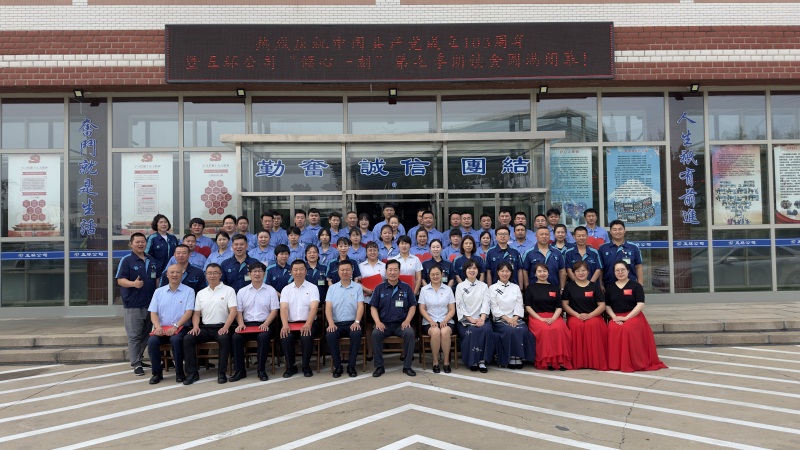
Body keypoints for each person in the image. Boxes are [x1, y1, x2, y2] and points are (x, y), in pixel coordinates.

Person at [605, 262, 667, 372]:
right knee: (613, 328)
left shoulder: (636, 286)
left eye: (623, 270)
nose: (620, 272)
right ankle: (617, 363)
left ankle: (633, 362)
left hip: (634, 315)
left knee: (627, 328)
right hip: (617, 316)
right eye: (617, 270)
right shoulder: (610, 288)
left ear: (628, 271)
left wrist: (627, 318)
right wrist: (614, 317)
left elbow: (640, 304)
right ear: (614, 273)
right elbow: (607, 305)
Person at [182, 263, 237, 385]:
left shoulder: (229, 290)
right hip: (205, 327)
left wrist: (226, 327)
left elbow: (233, 311)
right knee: (188, 339)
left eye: (215, 273)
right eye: (209, 273)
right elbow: (196, 314)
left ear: (220, 274)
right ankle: (192, 373)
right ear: (206, 275)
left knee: (224, 339)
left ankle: (221, 373)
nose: (212, 275)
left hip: (222, 326)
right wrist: (195, 326)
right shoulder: (201, 293)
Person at [145, 264, 195, 384]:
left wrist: (175, 327)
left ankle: (179, 373)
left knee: (176, 340)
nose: (174, 275)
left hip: (181, 327)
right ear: (167, 275)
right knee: (152, 341)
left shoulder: (189, 291)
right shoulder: (159, 292)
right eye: (172, 272)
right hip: (162, 328)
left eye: (177, 272)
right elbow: (153, 312)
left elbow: (189, 313)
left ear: (182, 274)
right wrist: (157, 327)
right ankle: (157, 373)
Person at [116, 232, 158, 376]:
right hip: (133, 304)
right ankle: (136, 363)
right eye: (137, 242)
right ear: (131, 244)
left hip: (150, 304)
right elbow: (120, 280)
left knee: (146, 334)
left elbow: (156, 279)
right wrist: (133, 284)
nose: (140, 244)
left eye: (143, 242)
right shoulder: (127, 260)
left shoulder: (151, 259)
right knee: (134, 335)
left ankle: (138, 358)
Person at [232, 261, 280, 382]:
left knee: (263, 337)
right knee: (236, 337)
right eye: (254, 271)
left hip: (264, 324)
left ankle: (261, 370)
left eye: (260, 271)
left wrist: (266, 324)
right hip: (246, 325)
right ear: (249, 274)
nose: (257, 274)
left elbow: (274, 310)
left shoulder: (271, 290)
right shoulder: (242, 291)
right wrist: (241, 324)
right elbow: (238, 311)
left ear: (264, 274)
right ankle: (239, 370)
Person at [369, 259, 417, 377]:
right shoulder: (379, 287)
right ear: (386, 271)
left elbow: (413, 306)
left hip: (401, 324)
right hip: (384, 324)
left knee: (410, 333)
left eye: (395, 270)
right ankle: (379, 366)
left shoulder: (406, 287)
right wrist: (377, 322)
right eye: (390, 270)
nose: (392, 272)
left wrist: (407, 320)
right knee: (375, 334)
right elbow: (373, 307)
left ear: (399, 271)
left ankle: (407, 366)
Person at [523, 263, 573, 371]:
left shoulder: (554, 288)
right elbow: (528, 307)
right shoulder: (530, 288)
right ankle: (548, 361)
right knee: (545, 330)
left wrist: (553, 318)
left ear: (548, 273)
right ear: (535, 274)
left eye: (544, 271)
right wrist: (540, 319)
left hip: (553, 316)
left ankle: (561, 361)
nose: (542, 273)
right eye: (539, 271)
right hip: (537, 317)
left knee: (560, 329)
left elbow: (559, 306)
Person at [562, 261, 608, 371]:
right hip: (575, 316)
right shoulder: (569, 286)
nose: (581, 273)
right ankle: (578, 362)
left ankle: (594, 361)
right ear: (573, 273)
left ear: (588, 272)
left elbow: (602, 305)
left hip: (593, 316)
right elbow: (564, 304)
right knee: (576, 325)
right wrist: (577, 315)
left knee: (593, 324)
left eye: (583, 270)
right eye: (577, 271)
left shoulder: (594, 286)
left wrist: (590, 315)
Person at [489, 262, 536, 369]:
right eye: (502, 271)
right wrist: (508, 319)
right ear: (498, 272)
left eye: (507, 271)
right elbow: (494, 307)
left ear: (511, 273)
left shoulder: (515, 287)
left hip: (515, 318)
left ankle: (518, 357)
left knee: (522, 329)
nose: (505, 273)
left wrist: (514, 318)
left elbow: (519, 304)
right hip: (501, 319)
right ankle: (510, 357)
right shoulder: (492, 288)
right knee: (510, 330)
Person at [279, 260, 321, 378]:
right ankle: (290, 367)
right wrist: (285, 324)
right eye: (295, 270)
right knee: (285, 336)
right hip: (291, 323)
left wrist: (308, 324)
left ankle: (306, 366)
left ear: (306, 271)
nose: (298, 272)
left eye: (301, 269)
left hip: (308, 322)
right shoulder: (286, 289)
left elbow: (314, 308)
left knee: (306, 336)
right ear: (291, 272)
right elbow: (284, 308)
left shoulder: (313, 288)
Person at [325, 260, 364, 378]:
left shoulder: (357, 287)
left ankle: (351, 366)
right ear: (338, 272)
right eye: (342, 270)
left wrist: (357, 321)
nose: (345, 272)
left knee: (356, 333)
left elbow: (360, 306)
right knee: (330, 335)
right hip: (336, 323)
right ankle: (338, 366)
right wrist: (331, 323)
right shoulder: (332, 288)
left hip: (352, 322)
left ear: (352, 271)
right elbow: (328, 308)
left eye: (347, 270)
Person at [454, 260, 494, 372]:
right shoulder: (460, 286)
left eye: (475, 268)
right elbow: (460, 305)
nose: (472, 270)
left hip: (482, 319)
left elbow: (486, 303)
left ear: (478, 271)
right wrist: (471, 319)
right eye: (469, 268)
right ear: (465, 271)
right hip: (466, 320)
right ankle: (472, 361)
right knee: (472, 331)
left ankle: (482, 361)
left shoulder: (484, 286)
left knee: (486, 329)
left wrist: (482, 318)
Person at [418, 265, 456, 373]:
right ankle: (435, 362)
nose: (435, 276)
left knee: (444, 332)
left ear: (442, 275)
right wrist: (431, 321)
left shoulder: (448, 289)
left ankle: (446, 362)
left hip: (446, 320)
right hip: (429, 321)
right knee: (435, 332)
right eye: (432, 274)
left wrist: (445, 320)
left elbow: (452, 309)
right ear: (429, 276)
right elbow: (422, 308)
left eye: (437, 274)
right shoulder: (424, 290)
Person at [359, 241, 385, 362]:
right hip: (367, 299)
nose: (372, 252)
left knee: (381, 324)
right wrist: (366, 289)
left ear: (378, 252)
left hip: (382, 300)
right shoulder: (361, 266)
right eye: (370, 250)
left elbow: (388, 281)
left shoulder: (384, 266)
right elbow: (357, 282)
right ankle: (370, 351)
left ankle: (379, 351)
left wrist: (378, 290)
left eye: (375, 250)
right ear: (366, 252)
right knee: (369, 326)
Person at [599, 220, 644, 286]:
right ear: (610, 232)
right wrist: (600, 284)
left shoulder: (633, 247)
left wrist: (640, 285)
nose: (617, 232)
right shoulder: (603, 248)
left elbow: (638, 266)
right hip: (609, 285)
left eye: (620, 229)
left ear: (624, 231)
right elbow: (600, 268)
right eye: (614, 229)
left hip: (630, 285)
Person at [521, 227, 566, 291]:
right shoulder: (529, 253)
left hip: (554, 288)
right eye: (541, 234)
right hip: (534, 289)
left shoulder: (557, 252)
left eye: (546, 234)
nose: (544, 236)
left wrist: (562, 288)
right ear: (536, 236)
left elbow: (562, 271)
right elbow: (525, 271)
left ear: (550, 236)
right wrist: (527, 288)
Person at [145, 213, 179, 278]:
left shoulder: (173, 238)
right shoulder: (152, 238)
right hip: (156, 271)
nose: (163, 224)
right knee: (156, 284)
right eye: (161, 222)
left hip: (172, 271)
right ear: (156, 224)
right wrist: (153, 275)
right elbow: (146, 255)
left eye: (165, 222)